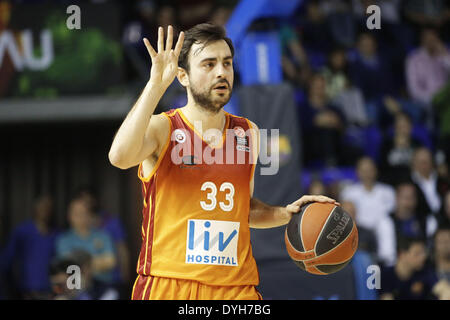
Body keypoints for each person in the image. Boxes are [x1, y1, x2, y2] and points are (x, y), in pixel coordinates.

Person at [108, 23, 339, 300]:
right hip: (170, 285)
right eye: (208, 64)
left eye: (226, 63)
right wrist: (155, 87)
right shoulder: (163, 128)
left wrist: (286, 214)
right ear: (182, 75)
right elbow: (119, 157)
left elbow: (243, 209)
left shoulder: (248, 133)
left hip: (236, 289)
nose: (221, 72)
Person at [0, 195, 58, 299]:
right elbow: (6, 261)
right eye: (42, 207)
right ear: (34, 209)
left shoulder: (57, 234)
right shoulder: (22, 231)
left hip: (50, 292)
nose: (45, 210)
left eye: (48, 207)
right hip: (27, 292)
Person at [56, 198, 116, 286]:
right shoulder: (64, 240)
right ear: (69, 216)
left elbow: (110, 261)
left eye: (83, 212)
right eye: (76, 213)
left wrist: (82, 264)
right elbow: (69, 266)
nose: (80, 216)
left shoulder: (103, 236)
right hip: (75, 288)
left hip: (102, 286)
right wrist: (97, 263)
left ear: (89, 215)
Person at [375, 183, 431, 267]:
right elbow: (387, 256)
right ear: (396, 198)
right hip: (396, 268)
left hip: (422, 266)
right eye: (405, 198)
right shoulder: (386, 222)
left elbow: (429, 250)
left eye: (411, 198)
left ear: (416, 200)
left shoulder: (427, 221)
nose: (408, 202)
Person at [340, 156, 396, 233]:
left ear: (376, 170)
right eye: (364, 171)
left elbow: (391, 214)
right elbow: (345, 216)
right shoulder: (349, 192)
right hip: (358, 229)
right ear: (357, 172)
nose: (367, 174)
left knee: (385, 224)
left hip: (381, 230)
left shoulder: (388, 191)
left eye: (370, 170)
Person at [430, 227, 450, 299]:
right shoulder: (426, 272)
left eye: (448, 241)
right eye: (441, 241)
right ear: (434, 244)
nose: (445, 245)